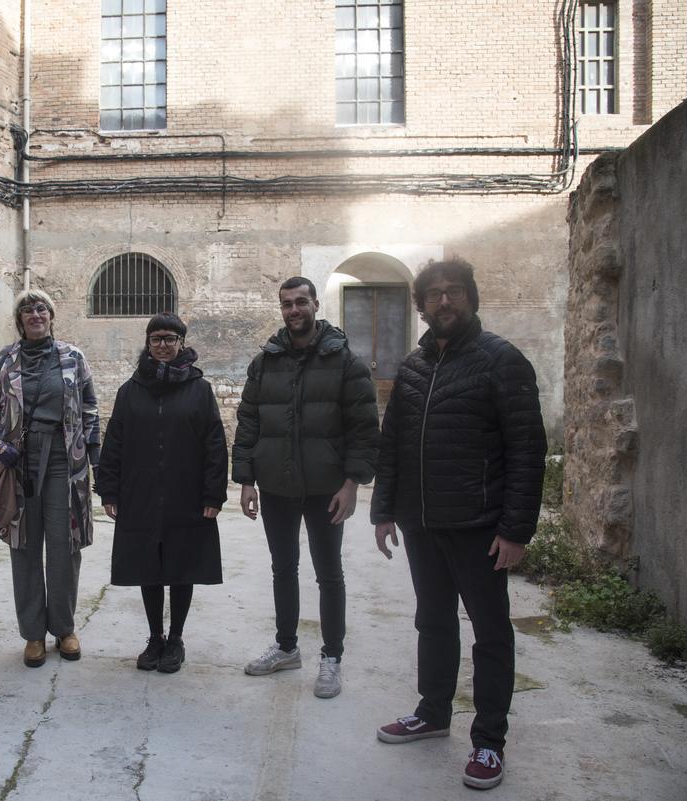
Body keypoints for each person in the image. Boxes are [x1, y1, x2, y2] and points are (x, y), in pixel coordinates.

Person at [371, 258, 546, 791]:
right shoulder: (413, 368)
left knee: (490, 634)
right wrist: (383, 510)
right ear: (421, 305)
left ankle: (489, 742)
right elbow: (393, 445)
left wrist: (515, 530)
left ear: (470, 297)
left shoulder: (501, 361)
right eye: (434, 294)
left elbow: (527, 451)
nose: (444, 301)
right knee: (433, 621)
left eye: (454, 291)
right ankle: (433, 712)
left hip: (479, 527)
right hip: (422, 524)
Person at [232, 276, 379, 698]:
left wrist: (352, 484)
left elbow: (364, 429)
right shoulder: (266, 362)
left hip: (325, 487)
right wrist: (246, 480)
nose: (294, 310)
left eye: (301, 302)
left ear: (315, 304)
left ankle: (332, 657)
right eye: (287, 304)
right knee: (283, 568)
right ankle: (286, 648)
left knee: (329, 573)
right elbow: (249, 421)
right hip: (276, 484)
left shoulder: (345, 362)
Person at [96, 313, 228, 674]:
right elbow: (114, 441)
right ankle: (155, 637)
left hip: (186, 494)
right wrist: (109, 490)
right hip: (140, 493)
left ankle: (176, 639)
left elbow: (215, 444)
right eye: (156, 339)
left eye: (170, 338)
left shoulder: (199, 390)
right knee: (148, 567)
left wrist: (213, 495)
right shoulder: (130, 390)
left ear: (181, 343)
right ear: (148, 343)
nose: (163, 345)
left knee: (182, 567)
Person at [0, 289, 100, 668]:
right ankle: (33, 633)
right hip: (19, 465)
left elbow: (90, 410)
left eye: (41, 308)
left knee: (65, 546)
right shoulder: (5, 360)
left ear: (51, 316)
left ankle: (64, 628)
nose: (35, 314)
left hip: (65, 463)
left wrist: (97, 461)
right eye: (28, 310)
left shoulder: (73, 357)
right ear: (19, 320)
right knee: (24, 547)